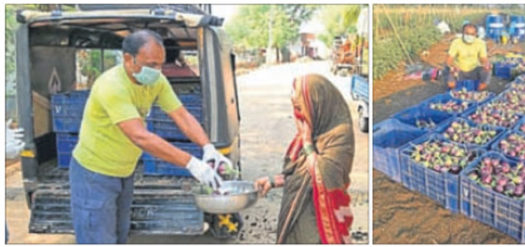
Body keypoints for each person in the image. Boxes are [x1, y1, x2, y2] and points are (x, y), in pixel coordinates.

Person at [69, 30, 230, 243]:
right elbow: (140, 137)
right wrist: (192, 164)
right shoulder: (112, 86)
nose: (157, 70)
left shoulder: (156, 80)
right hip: (94, 175)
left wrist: (208, 147)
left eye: (160, 64)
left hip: (124, 172)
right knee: (97, 239)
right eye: (152, 64)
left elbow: (181, 115)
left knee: (118, 235)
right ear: (128, 58)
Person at [254, 74, 355, 244]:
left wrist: (308, 144)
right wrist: (272, 181)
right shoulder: (313, 127)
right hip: (296, 213)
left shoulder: (339, 135)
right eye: (295, 108)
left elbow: (324, 174)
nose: (298, 116)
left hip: (319, 220)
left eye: (301, 109)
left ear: (316, 105)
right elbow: (300, 174)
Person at [445, 23, 491, 91]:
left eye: (472, 34)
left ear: (476, 34)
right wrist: (453, 66)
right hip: (459, 70)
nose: (469, 36)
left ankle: (478, 91)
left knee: (487, 71)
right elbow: (449, 59)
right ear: (462, 33)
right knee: (448, 72)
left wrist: (486, 64)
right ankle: (454, 91)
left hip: (474, 69)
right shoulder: (456, 42)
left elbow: (483, 58)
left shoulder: (480, 43)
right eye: (467, 33)